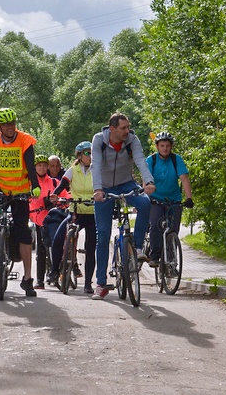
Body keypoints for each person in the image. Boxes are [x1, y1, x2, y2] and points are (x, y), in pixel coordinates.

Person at [0, 107, 42, 297]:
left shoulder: (25, 140)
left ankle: (28, 279)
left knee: (23, 232)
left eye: (12, 123)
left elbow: (30, 164)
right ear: (0, 126)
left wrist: (35, 186)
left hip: (19, 188)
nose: (10, 127)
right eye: (6, 125)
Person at [90, 113, 156, 300]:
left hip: (126, 183)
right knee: (102, 235)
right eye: (123, 128)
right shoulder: (99, 141)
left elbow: (140, 160)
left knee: (144, 203)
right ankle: (101, 283)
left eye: (128, 127)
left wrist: (149, 182)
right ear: (112, 129)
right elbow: (95, 165)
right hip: (103, 188)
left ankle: (138, 247)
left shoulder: (132, 140)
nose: (128, 131)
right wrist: (97, 189)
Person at [48, 141, 97, 292]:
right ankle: (54, 271)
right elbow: (63, 185)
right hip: (75, 211)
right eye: (87, 153)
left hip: (92, 213)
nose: (90, 156)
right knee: (57, 239)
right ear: (80, 156)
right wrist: (55, 194)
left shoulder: (97, 169)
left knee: (90, 248)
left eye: (92, 153)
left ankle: (88, 283)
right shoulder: (73, 170)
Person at [145, 132, 194, 266]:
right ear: (157, 147)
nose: (165, 148)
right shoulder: (151, 160)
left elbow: (184, 179)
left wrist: (189, 198)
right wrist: (146, 195)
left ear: (171, 146)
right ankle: (154, 256)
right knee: (155, 224)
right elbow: (146, 181)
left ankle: (171, 263)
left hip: (174, 199)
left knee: (173, 230)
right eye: (162, 146)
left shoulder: (176, 159)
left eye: (167, 146)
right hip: (156, 199)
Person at [30, 154, 60, 289]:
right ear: (35, 167)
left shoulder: (54, 182)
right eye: (39, 165)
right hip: (38, 219)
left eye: (44, 165)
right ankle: (40, 280)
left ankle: (58, 271)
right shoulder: (30, 183)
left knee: (57, 244)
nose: (42, 168)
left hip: (52, 218)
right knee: (41, 250)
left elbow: (65, 194)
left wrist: (61, 201)